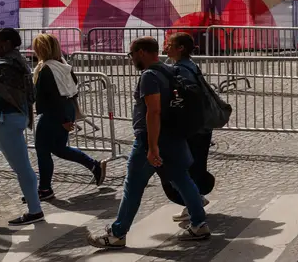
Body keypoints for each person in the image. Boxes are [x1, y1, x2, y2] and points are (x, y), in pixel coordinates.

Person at [87, 37, 210, 248]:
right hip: (174, 136)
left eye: (131, 54)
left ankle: (117, 234)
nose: (131, 58)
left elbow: (153, 111)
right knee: (182, 179)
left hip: (152, 140)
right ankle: (199, 224)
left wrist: (152, 147)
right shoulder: (169, 71)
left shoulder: (150, 76)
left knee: (133, 186)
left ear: (142, 52)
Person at [0, 28, 44, 225]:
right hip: (5, 120)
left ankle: (35, 211)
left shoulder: (5, 67)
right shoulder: (15, 61)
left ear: (5, 44)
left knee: (21, 167)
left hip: (8, 121)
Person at [31, 33, 107, 201]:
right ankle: (93, 165)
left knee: (43, 150)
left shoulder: (46, 70)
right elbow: (71, 89)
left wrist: (64, 119)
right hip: (65, 109)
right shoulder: (63, 65)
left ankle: (45, 189)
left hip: (55, 113)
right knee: (58, 148)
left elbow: (54, 96)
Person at [162, 32, 214, 222]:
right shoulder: (188, 66)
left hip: (194, 129)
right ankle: (193, 202)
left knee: (186, 169)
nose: (166, 48)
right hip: (200, 126)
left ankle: (194, 204)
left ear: (180, 48)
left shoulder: (181, 70)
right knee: (194, 167)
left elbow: (187, 100)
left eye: (169, 44)